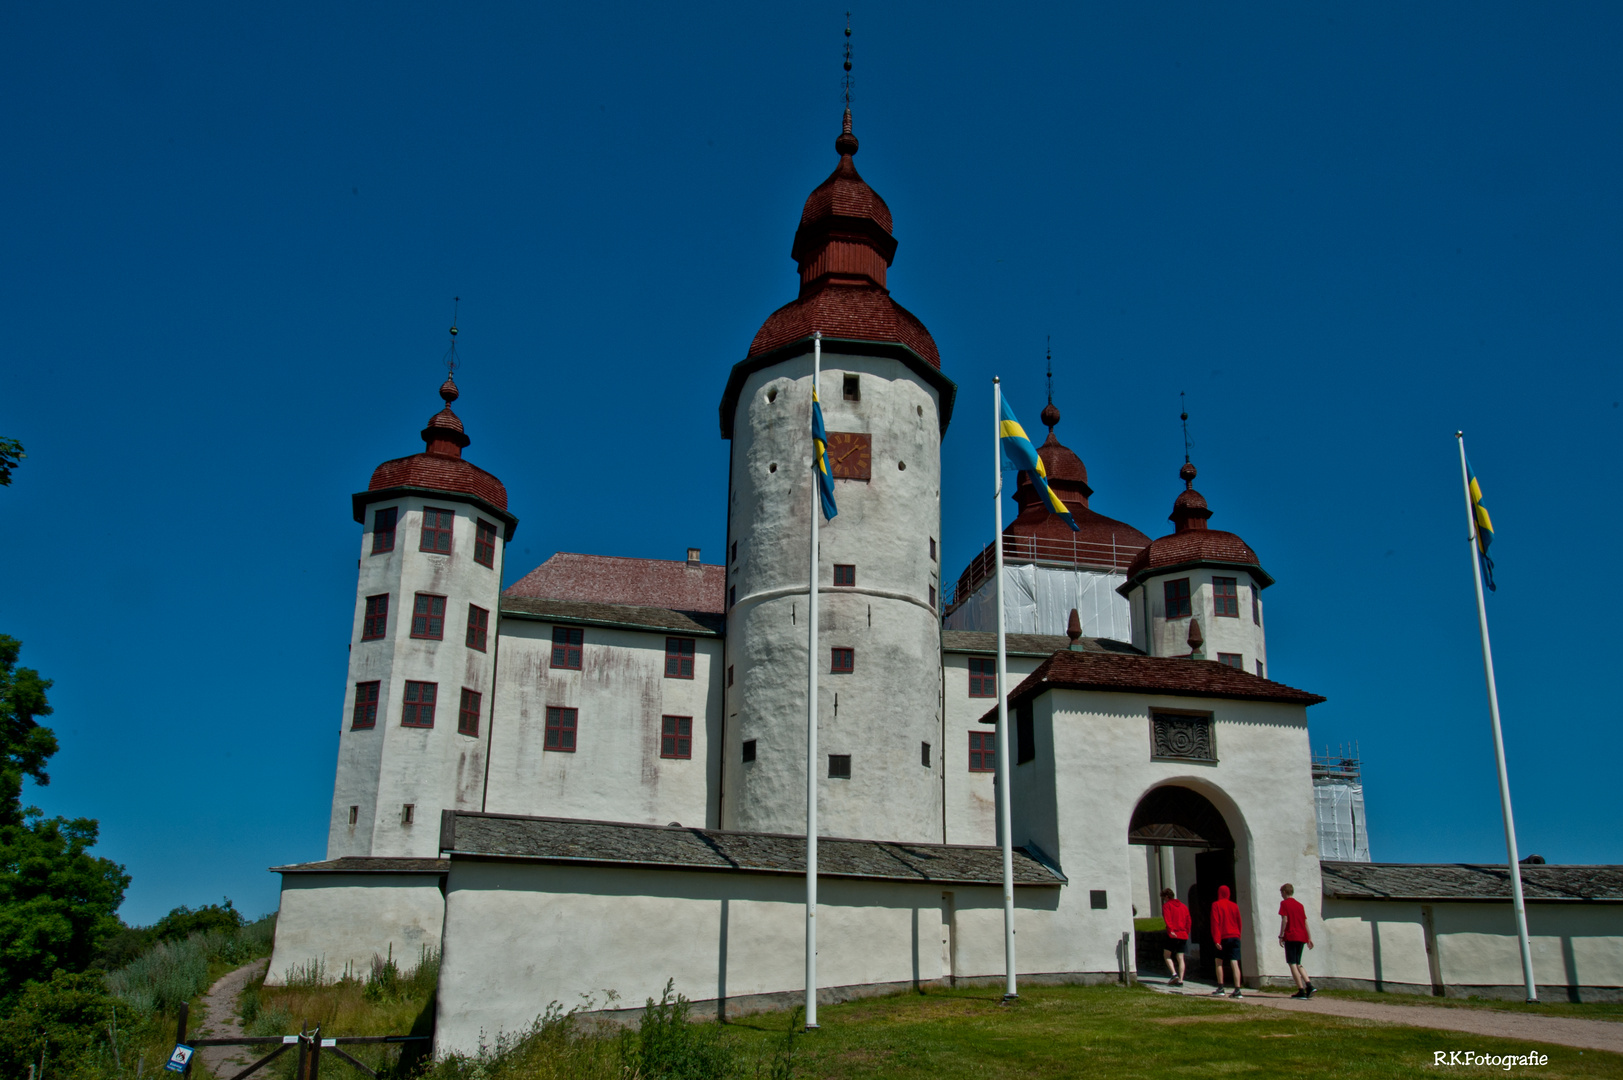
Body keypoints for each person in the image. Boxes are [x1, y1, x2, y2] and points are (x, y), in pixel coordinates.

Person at [1278, 883, 1316, 998]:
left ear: (1284, 892)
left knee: (1292, 963)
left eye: (1281, 893)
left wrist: (1281, 935)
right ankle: (1309, 985)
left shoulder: (1284, 904)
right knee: (1298, 962)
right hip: (1301, 936)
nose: (1281, 895)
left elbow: (1285, 919)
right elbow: (1305, 922)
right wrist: (1309, 938)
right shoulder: (1300, 905)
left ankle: (1301, 990)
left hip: (1291, 935)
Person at [1209, 884, 1244, 997]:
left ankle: (1221, 987)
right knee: (1234, 962)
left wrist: (1216, 940)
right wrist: (1239, 935)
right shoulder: (1234, 906)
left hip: (1223, 936)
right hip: (1235, 936)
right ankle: (1237, 989)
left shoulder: (1216, 905)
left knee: (1219, 961)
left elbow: (1215, 923)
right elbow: (1239, 921)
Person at [1160, 887, 1190, 986]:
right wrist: (1187, 932)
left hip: (1172, 934)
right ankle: (1181, 980)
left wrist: (1171, 930)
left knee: (1167, 955)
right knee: (1181, 957)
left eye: (1164, 898)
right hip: (1183, 934)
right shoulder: (1184, 907)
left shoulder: (1167, 906)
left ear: (1167, 897)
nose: (1163, 900)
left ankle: (1174, 974)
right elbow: (1188, 921)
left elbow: (1168, 919)